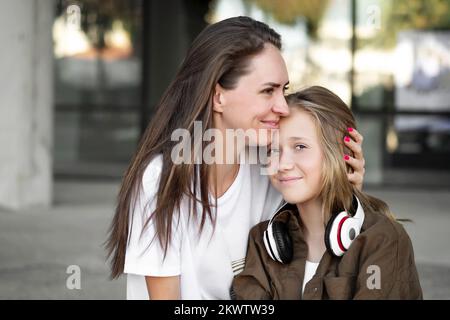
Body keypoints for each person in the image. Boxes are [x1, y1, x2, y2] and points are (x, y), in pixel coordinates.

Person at [105, 17, 366, 300]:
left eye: (284, 90)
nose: (282, 106)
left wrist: (343, 190)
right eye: (268, 90)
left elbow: (317, 267)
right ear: (218, 97)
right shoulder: (160, 180)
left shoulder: (272, 167)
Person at [232, 86, 423, 300]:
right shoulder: (262, 242)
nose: (282, 164)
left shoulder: (382, 240)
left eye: (300, 146)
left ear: (339, 153)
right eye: (273, 150)